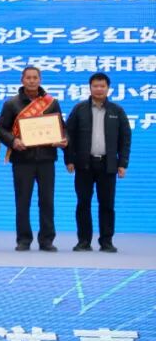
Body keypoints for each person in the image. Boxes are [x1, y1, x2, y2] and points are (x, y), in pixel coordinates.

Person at [0, 66, 67, 252]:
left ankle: (46, 240)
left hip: (46, 159)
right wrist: (13, 141)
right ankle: (23, 239)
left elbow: (62, 127)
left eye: (35, 77)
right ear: (22, 80)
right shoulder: (12, 104)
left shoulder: (51, 103)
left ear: (40, 79)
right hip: (22, 159)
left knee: (47, 201)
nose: (32, 81)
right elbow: (1, 129)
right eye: (28, 77)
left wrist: (63, 139)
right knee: (23, 201)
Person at [65, 72, 131, 253]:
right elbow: (68, 136)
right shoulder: (79, 109)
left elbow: (125, 139)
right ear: (90, 88)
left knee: (107, 204)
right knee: (83, 203)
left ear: (108, 88)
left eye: (102, 86)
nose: (99, 89)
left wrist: (122, 164)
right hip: (84, 164)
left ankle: (106, 241)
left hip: (107, 165)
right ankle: (83, 241)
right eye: (95, 86)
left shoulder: (117, 111)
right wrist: (69, 160)